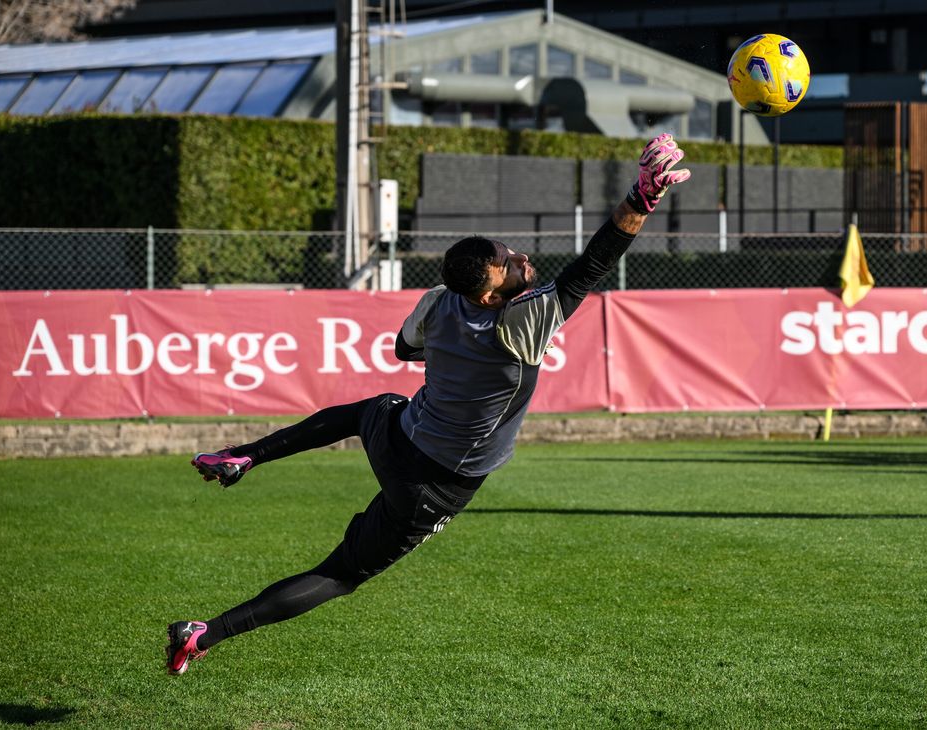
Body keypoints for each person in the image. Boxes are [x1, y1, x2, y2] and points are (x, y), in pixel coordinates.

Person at [165, 133, 691, 675]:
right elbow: (591, 267)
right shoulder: (521, 320)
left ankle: (246, 456)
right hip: (434, 485)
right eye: (510, 267)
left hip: (400, 434)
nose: (522, 261)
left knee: (365, 411)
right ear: (488, 296)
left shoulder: (440, 301)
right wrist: (641, 198)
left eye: (510, 255)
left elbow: (403, 348)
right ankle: (205, 634)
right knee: (340, 575)